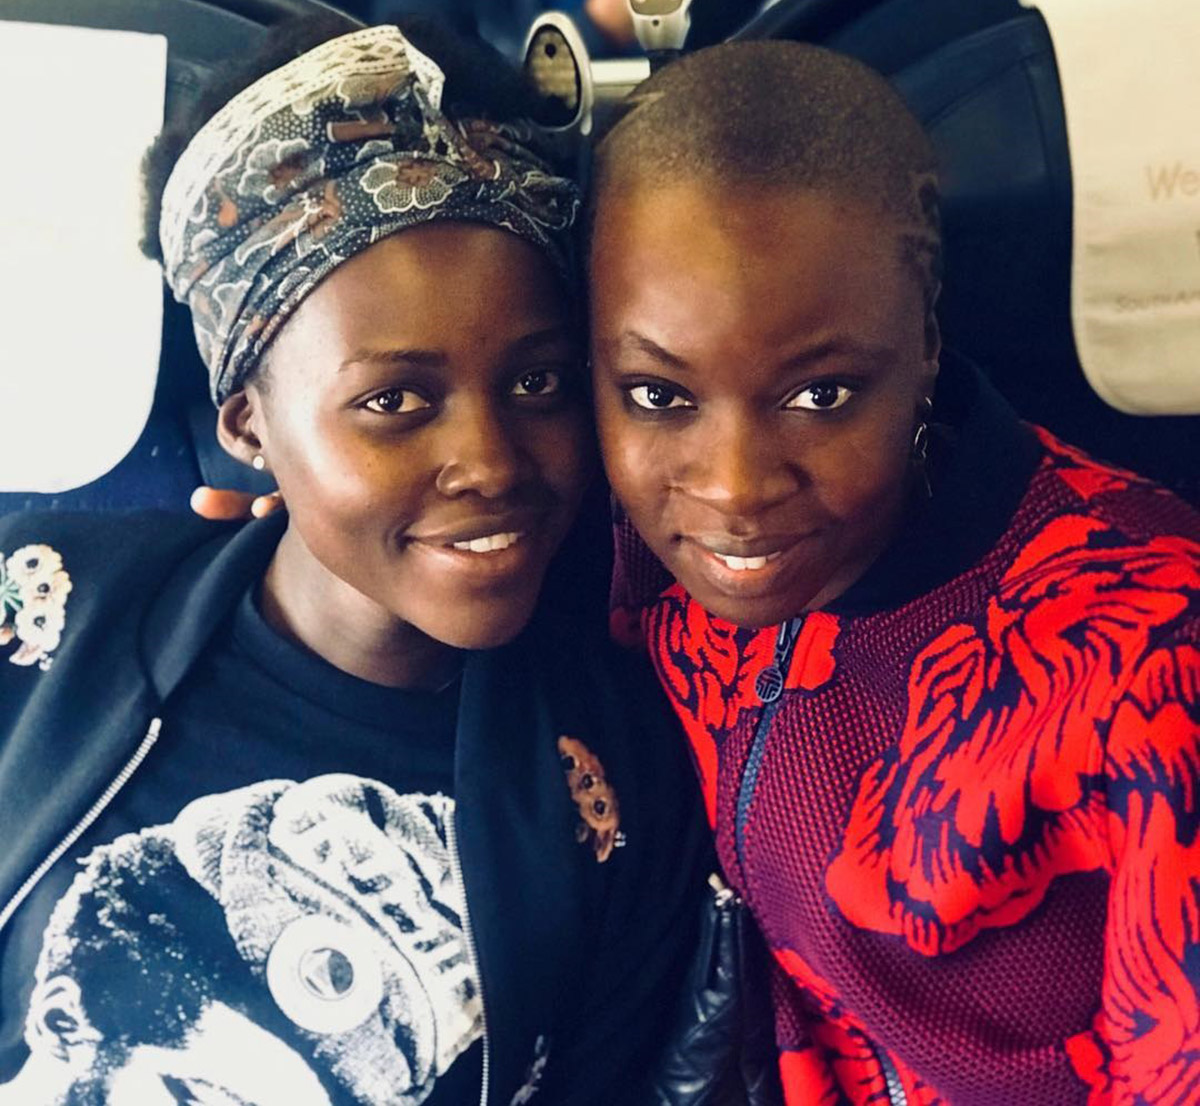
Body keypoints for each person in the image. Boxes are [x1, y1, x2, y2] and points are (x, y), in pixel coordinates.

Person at [0, 16, 711, 1106]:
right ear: (248, 424)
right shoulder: (47, 605)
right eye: (395, 401)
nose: (491, 462)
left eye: (537, 383)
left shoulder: (622, 774)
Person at [587, 40, 1200, 1106]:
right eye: (659, 395)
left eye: (820, 396)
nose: (734, 488)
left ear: (925, 342)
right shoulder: (635, 548)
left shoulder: (1151, 654)